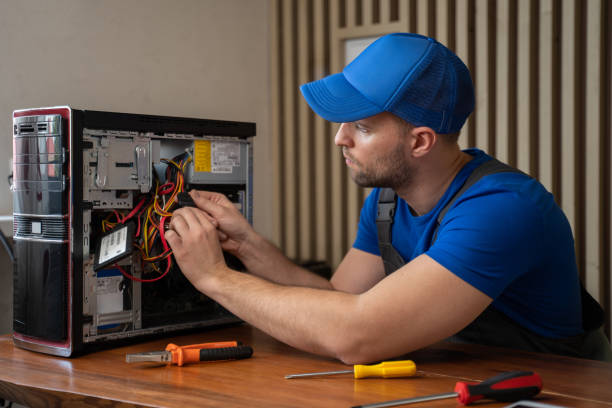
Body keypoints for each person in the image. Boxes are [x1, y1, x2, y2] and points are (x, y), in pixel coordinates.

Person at [165, 33, 611, 362]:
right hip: (455, 380)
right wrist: (247, 247)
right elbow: (338, 299)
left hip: (549, 391)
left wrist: (215, 279)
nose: (340, 139)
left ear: (420, 142)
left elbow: (357, 334)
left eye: (360, 126)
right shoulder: (388, 200)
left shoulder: (503, 208)